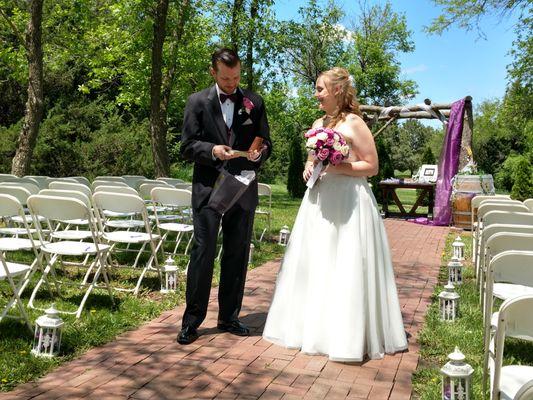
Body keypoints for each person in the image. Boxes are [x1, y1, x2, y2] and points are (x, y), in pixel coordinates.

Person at [262, 67, 407, 361]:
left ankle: (348, 336)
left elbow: (372, 167)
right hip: (319, 200)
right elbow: (313, 156)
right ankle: (313, 330)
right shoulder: (319, 123)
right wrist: (308, 164)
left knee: (346, 264)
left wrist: (338, 167)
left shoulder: (356, 124)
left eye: (320, 89)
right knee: (317, 262)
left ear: (338, 90)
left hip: (349, 203)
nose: (316, 95)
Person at [177, 48, 272, 345]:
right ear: (213, 73)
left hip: (242, 190)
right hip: (208, 190)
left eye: (237, 77)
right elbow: (186, 146)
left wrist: (260, 152)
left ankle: (229, 317)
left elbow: (266, 141)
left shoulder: (254, 102)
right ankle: (192, 321)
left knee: (237, 253)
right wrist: (212, 150)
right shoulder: (197, 102)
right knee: (203, 254)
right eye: (226, 78)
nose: (232, 83)